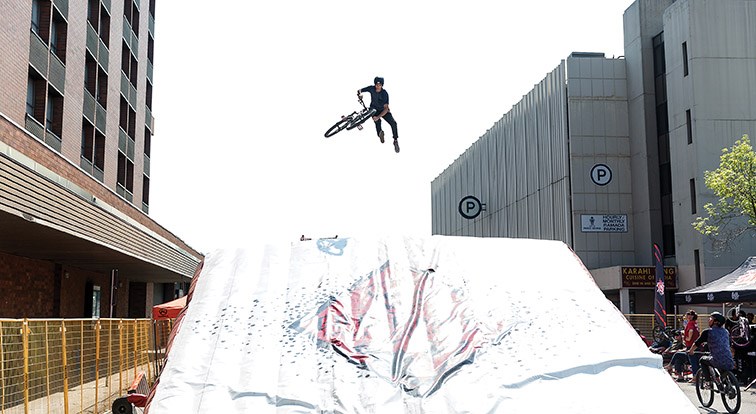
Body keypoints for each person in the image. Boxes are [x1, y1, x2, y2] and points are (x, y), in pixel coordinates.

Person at [688, 311, 735, 382]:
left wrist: (691, 351)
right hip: (729, 361)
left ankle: (708, 381)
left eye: (710, 318)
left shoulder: (708, 332)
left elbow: (697, 343)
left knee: (702, 360)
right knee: (722, 372)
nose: (708, 320)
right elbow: (729, 345)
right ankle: (726, 387)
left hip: (717, 360)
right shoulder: (726, 332)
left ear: (715, 321)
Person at [358, 76, 400, 153]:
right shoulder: (371, 88)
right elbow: (360, 90)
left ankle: (395, 140)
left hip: (383, 110)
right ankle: (380, 134)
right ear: (374, 84)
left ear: (382, 85)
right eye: (376, 84)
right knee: (377, 122)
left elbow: (386, 108)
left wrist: (378, 116)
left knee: (393, 123)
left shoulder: (384, 94)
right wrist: (359, 94)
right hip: (373, 109)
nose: (377, 86)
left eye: (379, 85)